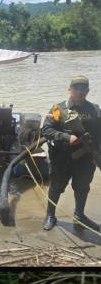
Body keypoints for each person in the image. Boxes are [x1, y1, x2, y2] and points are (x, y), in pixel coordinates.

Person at [41, 75, 101, 231]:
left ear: (88, 91)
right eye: (76, 88)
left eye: (83, 89)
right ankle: (50, 215)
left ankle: (79, 215)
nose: (80, 92)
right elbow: (46, 130)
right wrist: (67, 137)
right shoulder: (58, 109)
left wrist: (97, 154)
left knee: (82, 187)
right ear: (70, 89)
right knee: (56, 187)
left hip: (86, 159)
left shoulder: (95, 109)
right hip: (62, 158)